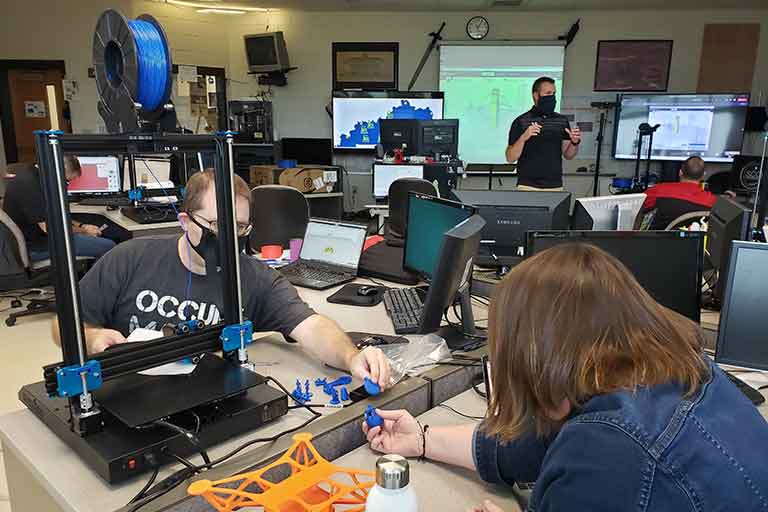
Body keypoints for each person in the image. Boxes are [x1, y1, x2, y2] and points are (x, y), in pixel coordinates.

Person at [363, 244, 768, 511]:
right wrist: (421, 440)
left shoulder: (609, 448)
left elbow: (592, 459)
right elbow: (529, 446)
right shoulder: (681, 370)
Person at [52, 169, 391, 389]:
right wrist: (92, 337)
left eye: (239, 227)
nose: (228, 238)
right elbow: (61, 326)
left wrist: (351, 357)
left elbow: (312, 326)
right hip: (128, 395)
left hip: (209, 402)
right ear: (186, 221)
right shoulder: (130, 259)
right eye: (216, 225)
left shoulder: (253, 277)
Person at [3, 156, 116, 261]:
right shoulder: (30, 187)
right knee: (108, 246)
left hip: (34, 238)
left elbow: (53, 216)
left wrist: (82, 226)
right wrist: (85, 232)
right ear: (57, 171)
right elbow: (49, 229)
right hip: (34, 247)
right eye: (66, 181)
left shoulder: (32, 171)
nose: (66, 186)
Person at [505, 77, 581, 191]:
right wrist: (523, 138)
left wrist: (575, 143)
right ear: (536, 95)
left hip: (555, 185)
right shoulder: (521, 121)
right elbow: (510, 157)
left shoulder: (561, 120)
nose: (552, 97)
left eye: (554, 93)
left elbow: (568, 155)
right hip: (527, 185)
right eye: (548, 93)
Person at [642, 155, 730, 229]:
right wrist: (727, 198)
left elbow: (638, 209)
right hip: (693, 246)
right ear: (703, 176)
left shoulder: (657, 191)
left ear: (680, 172)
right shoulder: (712, 201)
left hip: (657, 242)